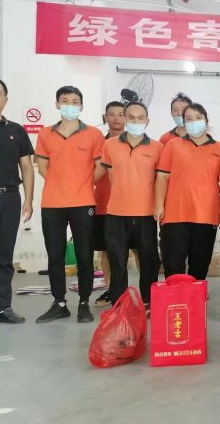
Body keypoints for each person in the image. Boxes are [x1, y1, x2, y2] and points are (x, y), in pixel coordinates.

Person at [35, 86, 105, 323]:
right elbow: (42, 167)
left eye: (75, 101)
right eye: (65, 101)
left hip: (83, 202)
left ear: (81, 106)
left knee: (85, 255)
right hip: (52, 203)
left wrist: (83, 184)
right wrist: (60, 184)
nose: (70, 105)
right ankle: (59, 303)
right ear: (57, 105)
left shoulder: (93, 134)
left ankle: (84, 303)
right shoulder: (45, 133)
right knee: (55, 255)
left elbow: (100, 167)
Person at [0, 75, 34, 323]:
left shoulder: (16, 130)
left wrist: (28, 200)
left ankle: (2, 308)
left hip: (9, 199)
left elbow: (27, 167)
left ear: (5, 100)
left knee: (4, 256)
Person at [99, 101, 162, 307]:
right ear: (125, 119)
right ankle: (119, 303)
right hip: (116, 213)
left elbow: (160, 180)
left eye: (140, 118)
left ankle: (149, 301)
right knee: (117, 261)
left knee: (149, 261)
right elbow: (111, 177)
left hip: (146, 214)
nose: (136, 121)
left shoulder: (158, 148)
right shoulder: (110, 145)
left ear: (147, 121)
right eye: (132, 117)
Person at [155, 103, 220, 280]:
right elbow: (162, 177)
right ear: (184, 122)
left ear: (206, 120)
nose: (194, 122)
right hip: (174, 215)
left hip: (206, 215)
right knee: (173, 265)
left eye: (198, 118)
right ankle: (175, 297)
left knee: (200, 265)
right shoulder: (173, 145)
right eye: (189, 119)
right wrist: (158, 205)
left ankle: (196, 297)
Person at [92, 101, 139, 307]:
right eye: (111, 114)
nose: (116, 118)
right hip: (104, 204)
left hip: (134, 206)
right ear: (105, 118)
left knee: (139, 250)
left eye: (121, 114)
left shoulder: (136, 142)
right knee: (107, 251)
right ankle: (113, 292)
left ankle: (147, 294)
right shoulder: (99, 144)